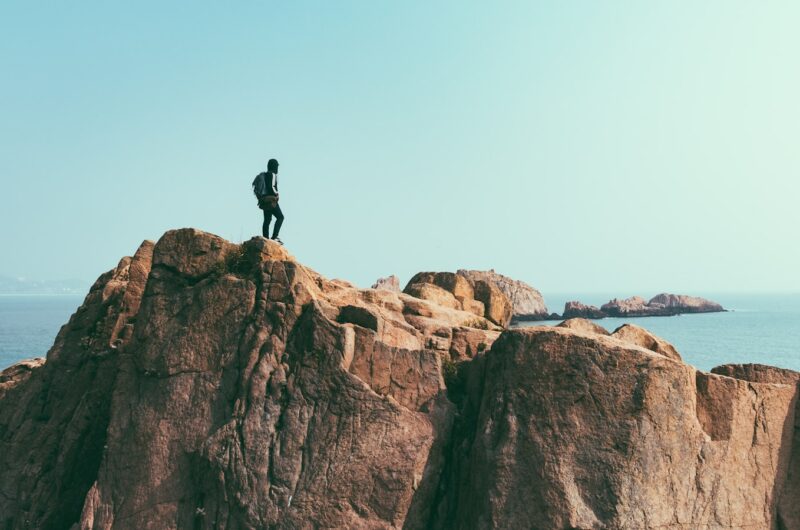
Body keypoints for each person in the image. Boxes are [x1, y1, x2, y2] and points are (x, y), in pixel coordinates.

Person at [252, 159, 284, 244]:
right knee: (280, 217)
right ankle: (275, 237)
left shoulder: (264, 175)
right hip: (271, 199)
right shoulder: (272, 174)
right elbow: (271, 186)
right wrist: (277, 194)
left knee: (267, 219)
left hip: (264, 200)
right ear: (274, 166)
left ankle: (265, 238)